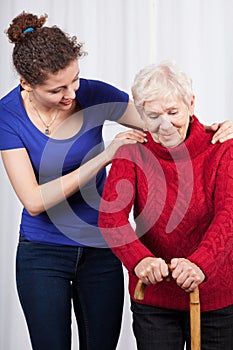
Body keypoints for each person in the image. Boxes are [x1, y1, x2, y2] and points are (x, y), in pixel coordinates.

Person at [0, 12, 232, 350]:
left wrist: (209, 131)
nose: (71, 94)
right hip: (43, 250)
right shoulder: (8, 116)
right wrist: (104, 157)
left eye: (75, 80)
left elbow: (160, 116)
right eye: (57, 89)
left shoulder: (93, 94)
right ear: (26, 83)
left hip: (99, 250)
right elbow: (33, 201)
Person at [99, 60, 233, 350]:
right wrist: (140, 260)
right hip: (154, 297)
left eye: (174, 112)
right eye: (154, 115)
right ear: (141, 114)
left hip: (216, 299)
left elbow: (229, 216)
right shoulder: (132, 151)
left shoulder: (222, 147)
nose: (166, 124)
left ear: (191, 104)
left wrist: (201, 263)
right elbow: (112, 218)